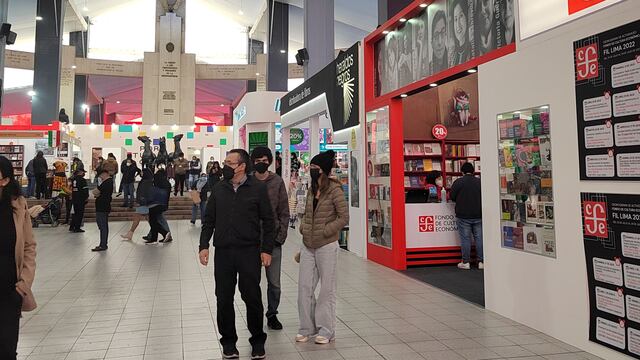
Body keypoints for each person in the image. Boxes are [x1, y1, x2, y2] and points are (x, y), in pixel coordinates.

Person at [199, 149, 275, 360]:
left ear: (241, 166)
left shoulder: (257, 189)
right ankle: (229, 343)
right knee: (223, 298)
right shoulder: (218, 188)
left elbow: (269, 221)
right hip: (223, 253)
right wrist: (203, 245)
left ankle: (257, 341)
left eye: (229, 162)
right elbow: (209, 220)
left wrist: (267, 249)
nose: (225, 166)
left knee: (251, 297)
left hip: (249, 251)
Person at [297, 150, 348, 345]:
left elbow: (343, 217)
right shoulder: (311, 189)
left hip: (326, 245)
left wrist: (327, 231)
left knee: (327, 289)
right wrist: (303, 228)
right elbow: (307, 213)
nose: (312, 170)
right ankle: (306, 328)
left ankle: (327, 329)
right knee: (304, 287)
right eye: (311, 167)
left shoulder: (334, 190)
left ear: (324, 170)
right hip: (308, 244)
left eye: (316, 168)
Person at [0, 156, 37, 360]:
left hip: (9, 290)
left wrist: (24, 283)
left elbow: (29, 246)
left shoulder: (18, 206)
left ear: (5, 180)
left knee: (6, 349)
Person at [250, 147, 290, 331]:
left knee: (274, 283)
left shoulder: (277, 182)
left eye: (264, 160)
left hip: (272, 241)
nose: (261, 163)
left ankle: (272, 314)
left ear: (270, 161)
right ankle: (255, 314)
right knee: (251, 282)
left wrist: (280, 237)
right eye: (257, 160)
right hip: (250, 242)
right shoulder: (247, 182)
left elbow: (284, 212)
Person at [450, 162, 483, 270]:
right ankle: (481, 261)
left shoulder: (458, 182)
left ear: (462, 171)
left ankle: (466, 261)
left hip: (463, 215)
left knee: (465, 239)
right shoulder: (479, 182)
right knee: (479, 238)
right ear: (473, 171)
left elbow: (452, 197)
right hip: (478, 214)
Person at [121, 169, 154, 241]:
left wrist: (140, 201)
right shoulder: (146, 181)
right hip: (144, 203)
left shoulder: (146, 182)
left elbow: (144, 193)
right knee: (143, 218)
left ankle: (130, 233)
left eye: (142, 172)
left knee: (141, 218)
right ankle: (130, 233)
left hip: (144, 203)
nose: (140, 173)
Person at [145, 166, 172, 244]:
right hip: (163, 204)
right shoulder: (167, 183)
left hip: (155, 204)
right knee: (156, 220)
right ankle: (153, 237)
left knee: (154, 221)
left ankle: (165, 233)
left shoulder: (156, 183)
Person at [91, 169, 113, 252]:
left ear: (105, 174)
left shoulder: (107, 182)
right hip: (102, 205)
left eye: (100, 175)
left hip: (103, 206)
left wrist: (97, 193)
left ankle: (103, 244)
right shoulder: (107, 182)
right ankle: (103, 243)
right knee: (102, 225)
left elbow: (96, 191)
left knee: (103, 225)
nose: (100, 177)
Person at [451, 0, 472, 65]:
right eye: (456, 19)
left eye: (461, 16)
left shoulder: (473, 51)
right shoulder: (452, 56)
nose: (458, 25)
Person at [69, 168, 89, 233]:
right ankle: (77, 227)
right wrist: (86, 197)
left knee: (75, 213)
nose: (84, 173)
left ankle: (72, 226)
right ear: (80, 172)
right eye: (83, 172)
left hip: (74, 198)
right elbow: (85, 189)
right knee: (80, 213)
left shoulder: (73, 179)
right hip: (81, 198)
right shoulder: (82, 180)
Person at [430, 10, 449, 74]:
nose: (439, 42)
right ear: (431, 42)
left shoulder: (453, 62)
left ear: (446, 35)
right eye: (436, 35)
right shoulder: (428, 71)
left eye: (442, 33)